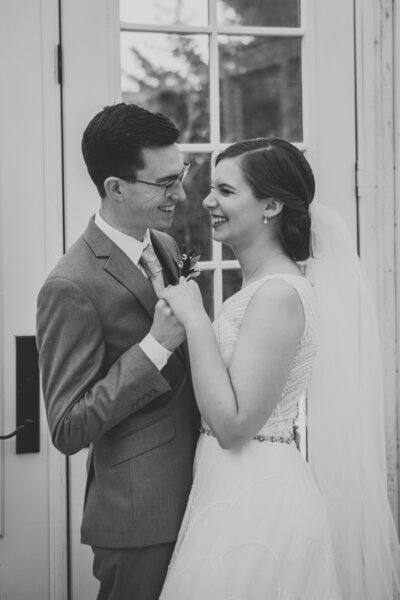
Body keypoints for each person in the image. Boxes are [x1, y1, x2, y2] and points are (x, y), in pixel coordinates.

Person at [156, 138, 400, 599]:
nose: (207, 201)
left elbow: (234, 424)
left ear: (270, 205)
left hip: (257, 498)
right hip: (227, 484)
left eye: (226, 191)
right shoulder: (261, 287)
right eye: (211, 188)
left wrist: (194, 320)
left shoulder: (278, 295)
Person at [36, 103, 199, 600]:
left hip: (201, 492)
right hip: (138, 517)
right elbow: (67, 427)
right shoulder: (70, 284)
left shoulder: (166, 246)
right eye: (165, 183)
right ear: (115, 187)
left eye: (181, 175)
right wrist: (154, 347)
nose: (182, 193)